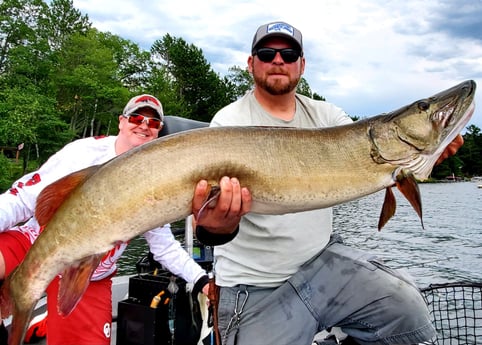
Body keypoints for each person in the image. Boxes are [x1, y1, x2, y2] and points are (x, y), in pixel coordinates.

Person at [191, 21, 464, 345]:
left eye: (289, 54)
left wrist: (424, 157)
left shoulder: (328, 116)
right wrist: (216, 225)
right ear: (251, 63)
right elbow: (209, 230)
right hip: (256, 285)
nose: (278, 60)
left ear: (302, 65)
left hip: (322, 263)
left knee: (407, 311)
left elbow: (374, 164)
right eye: (267, 53)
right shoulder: (227, 123)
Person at [0, 94, 209, 345]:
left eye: (153, 123)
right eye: (136, 117)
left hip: (91, 274)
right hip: (36, 243)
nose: (144, 125)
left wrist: (201, 281)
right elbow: (21, 200)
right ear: (121, 121)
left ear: (158, 132)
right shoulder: (83, 152)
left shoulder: (158, 175)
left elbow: (163, 245)